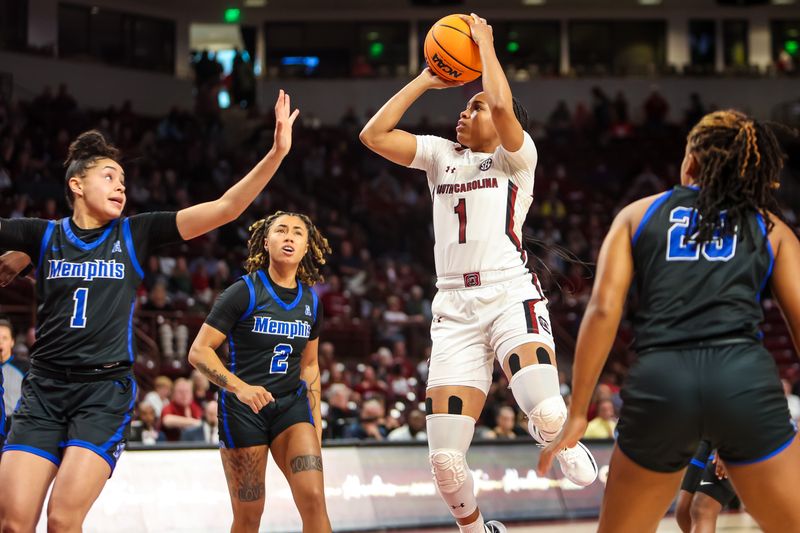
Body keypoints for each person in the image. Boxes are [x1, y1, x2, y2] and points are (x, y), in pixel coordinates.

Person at [0, 89, 300, 532]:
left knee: (63, 519)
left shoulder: (135, 233)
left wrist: (276, 153)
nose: (121, 185)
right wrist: (20, 252)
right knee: (13, 523)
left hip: (102, 392)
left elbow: (225, 208)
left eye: (123, 179)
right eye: (108, 176)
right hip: (42, 390)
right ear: (76, 184)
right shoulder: (40, 235)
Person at [360, 13, 596, 533]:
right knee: (444, 463)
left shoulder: (518, 160)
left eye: (474, 106)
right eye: (465, 106)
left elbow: (503, 104)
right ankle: (477, 529)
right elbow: (373, 134)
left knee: (547, 415)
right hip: (453, 311)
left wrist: (485, 46)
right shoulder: (441, 155)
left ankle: (563, 437)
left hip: (509, 295)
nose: (463, 113)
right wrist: (428, 77)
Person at [538, 110, 800, 533]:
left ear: (691, 161)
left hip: (663, 382)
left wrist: (579, 411)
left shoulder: (636, 215)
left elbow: (604, 311)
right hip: (742, 381)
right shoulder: (771, 229)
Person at [188, 211, 332, 533]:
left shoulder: (311, 300)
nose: (289, 236)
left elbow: (309, 364)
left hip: (291, 408)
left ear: (307, 246)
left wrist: (316, 422)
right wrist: (240, 387)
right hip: (244, 411)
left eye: (297, 232)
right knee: (249, 514)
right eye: (281, 230)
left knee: (314, 499)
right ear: (266, 242)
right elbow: (198, 352)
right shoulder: (243, 291)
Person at [674, 441, 737, 533]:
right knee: (683, 512)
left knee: (702, 509)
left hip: (734, 437)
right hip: (707, 437)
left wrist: (727, 446)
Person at [0, 319, 27, 448]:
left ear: (12, 342)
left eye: (4, 338)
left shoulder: (24, 368)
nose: (0, 342)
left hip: (15, 426)